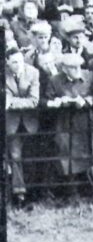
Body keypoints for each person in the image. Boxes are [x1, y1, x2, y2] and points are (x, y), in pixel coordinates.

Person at [44, 53, 93, 181]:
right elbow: (47, 98)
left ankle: (88, 185)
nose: (77, 70)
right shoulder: (55, 80)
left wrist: (85, 101)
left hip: (83, 120)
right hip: (63, 121)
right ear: (64, 68)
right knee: (65, 152)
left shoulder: (89, 76)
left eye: (79, 66)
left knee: (85, 152)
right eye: (73, 67)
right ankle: (70, 187)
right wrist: (58, 101)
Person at [6, 47, 40, 203]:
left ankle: (35, 192)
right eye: (14, 62)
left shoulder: (33, 72)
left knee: (32, 157)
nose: (18, 64)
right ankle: (20, 194)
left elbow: (34, 100)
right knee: (15, 156)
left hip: (30, 122)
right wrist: (17, 102)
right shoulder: (3, 74)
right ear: (7, 62)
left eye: (20, 61)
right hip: (11, 124)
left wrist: (12, 102)